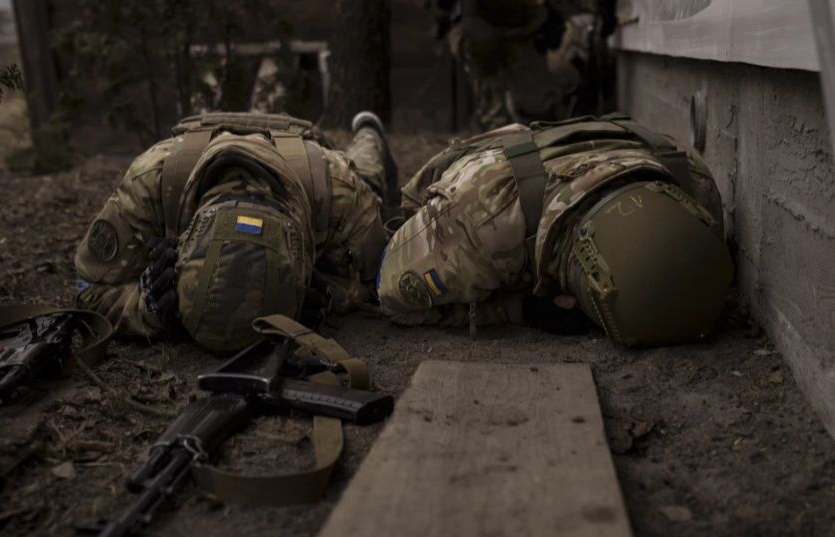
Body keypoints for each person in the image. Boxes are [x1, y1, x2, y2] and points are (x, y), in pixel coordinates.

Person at [377, 115, 735, 347]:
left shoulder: (693, 181)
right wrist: (523, 310)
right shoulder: (479, 227)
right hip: (482, 179)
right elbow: (391, 296)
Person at [75, 111, 396, 351]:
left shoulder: (341, 192)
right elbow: (87, 287)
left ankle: (368, 130)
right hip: (214, 150)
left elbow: (377, 285)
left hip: (309, 164)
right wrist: (148, 306)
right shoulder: (151, 182)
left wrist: (327, 294)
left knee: (368, 172)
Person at [427, 0, 618, 129]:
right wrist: (443, 17)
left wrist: (553, 21)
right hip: (477, 25)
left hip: (522, 30)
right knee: (497, 115)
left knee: (540, 108)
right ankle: (495, 140)